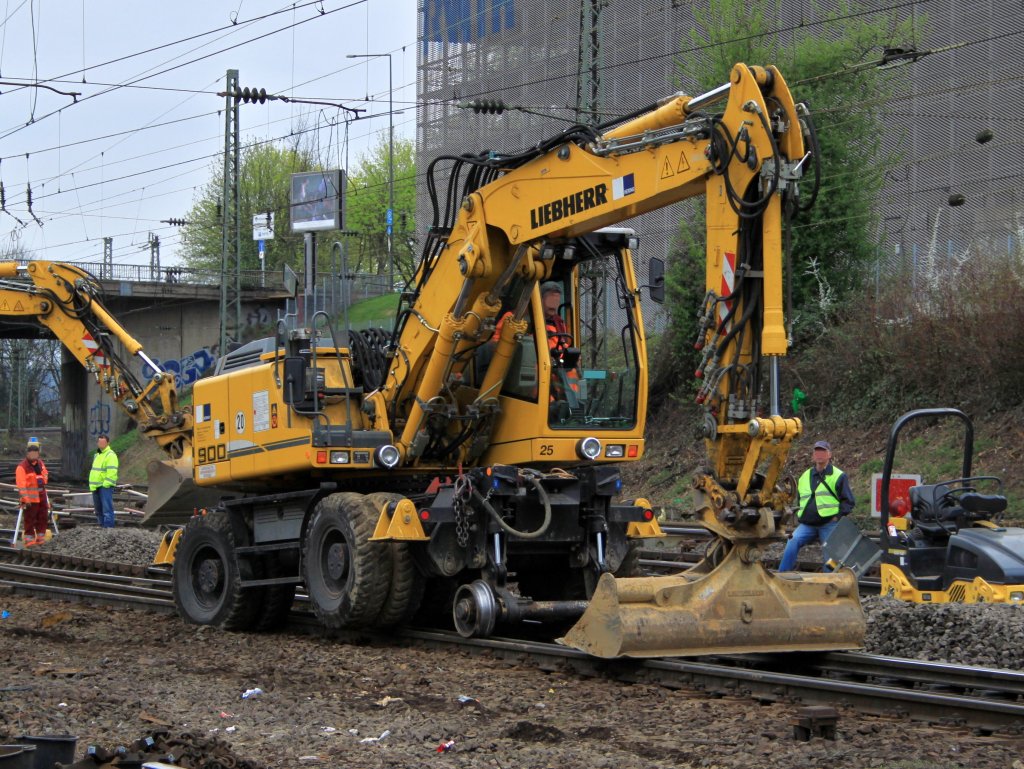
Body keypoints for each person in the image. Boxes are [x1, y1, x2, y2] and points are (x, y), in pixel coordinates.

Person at [778, 440, 855, 571]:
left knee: (830, 554)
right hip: (808, 525)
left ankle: (830, 583)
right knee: (792, 541)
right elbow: (801, 499)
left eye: (823, 451)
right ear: (813, 455)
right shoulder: (805, 476)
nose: (819, 454)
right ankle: (781, 575)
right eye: (817, 451)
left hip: (828, 524)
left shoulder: (838, 476)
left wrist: (836, 518)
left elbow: (849, 502)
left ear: (829, 455)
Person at [15, 438, 49, 547]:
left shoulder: (40, 463)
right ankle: (29, 539)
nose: (34, 455)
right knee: (30, 518)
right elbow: (21, 485)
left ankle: (40, 538)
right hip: (31, 498)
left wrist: (43, 478)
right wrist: (26, 499)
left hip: (41, 495)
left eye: (36, 453)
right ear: (28, 454)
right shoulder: (22, 467)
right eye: (32, 453)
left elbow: (45, 475)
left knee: (42, 516)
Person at [90, 434, 119, 528]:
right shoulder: (97, 455)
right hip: (96, 486)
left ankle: (108, 529)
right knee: (98, 510)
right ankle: (102, 527)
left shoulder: (110, 455)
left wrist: (106, 484)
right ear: (97, 443)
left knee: (107, 510)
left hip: (104, 486)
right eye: (100, 442)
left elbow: (112, 471)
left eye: (103, 442)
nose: (101, 444)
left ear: (108, 443)